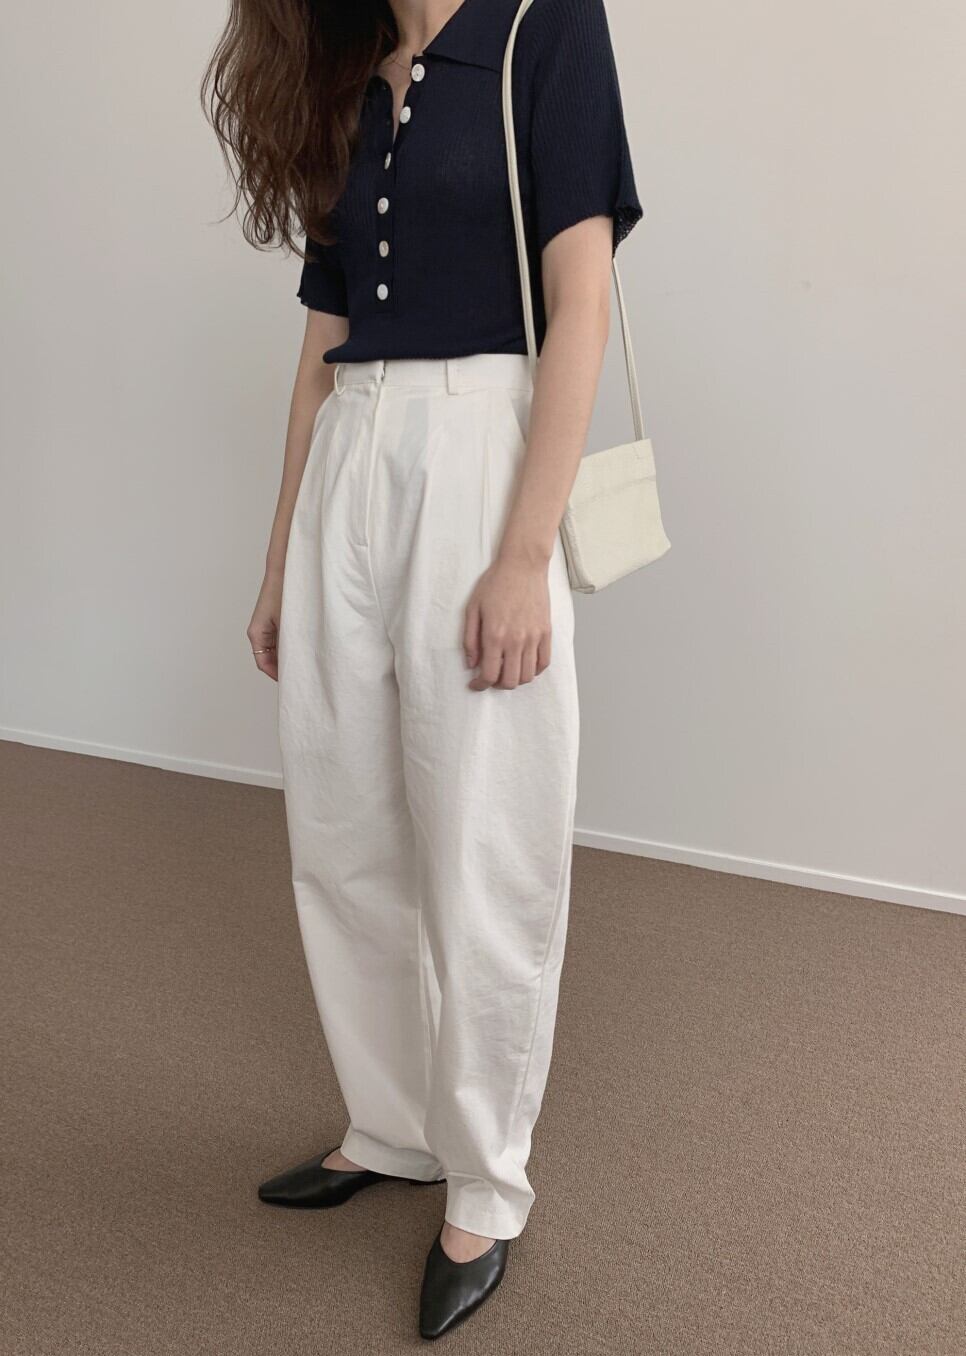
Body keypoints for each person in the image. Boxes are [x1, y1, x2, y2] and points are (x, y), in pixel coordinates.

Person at [203, 0, 642, 1338]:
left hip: (478, 450)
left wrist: (522, 555)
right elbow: (318, 350)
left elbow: (581, 305)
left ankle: (486, 1183)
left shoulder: (541, 29)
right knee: (342, 831)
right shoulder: (345, 72)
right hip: (354, 448)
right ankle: (390, 1125)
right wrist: (280, 559)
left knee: (485, 839)